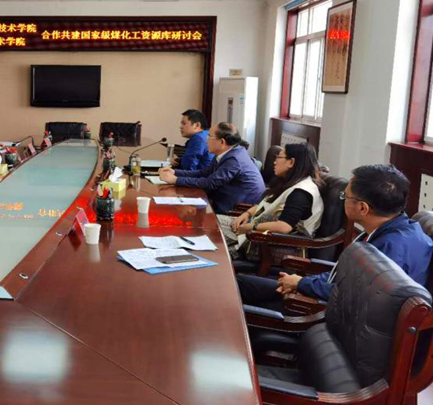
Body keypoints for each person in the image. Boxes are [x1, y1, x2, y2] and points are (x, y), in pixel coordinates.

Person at [238, 164, 433, 310]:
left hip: (336, 317)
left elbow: (355, 297)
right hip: (329, 295)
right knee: (241, 285)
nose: (343, 201)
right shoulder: (392, 229)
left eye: (345, 197)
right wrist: (300, 281)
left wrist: (301, 284)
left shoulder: (390, 250)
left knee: (241, 301)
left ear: (362, 208)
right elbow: (345, 276)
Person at [219, 143, 324, 260]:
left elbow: (284, 227)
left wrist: (251, 227)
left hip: (269, 243)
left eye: (278, 157)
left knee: (214, 234)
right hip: (256, 232)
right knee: (213, 223)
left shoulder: (301, 192)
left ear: (291, 162)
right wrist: (246, 214)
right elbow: (267, 204)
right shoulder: (289, 182)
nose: (274, 162)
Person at [158, 122, 265, 214]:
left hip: (238, 211)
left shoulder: (234, 160)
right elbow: (205, 173)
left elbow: (210, 183)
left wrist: (175, 180)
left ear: (222, 142)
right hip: (224, 202)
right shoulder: (226, 153)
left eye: (209, 136)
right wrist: (175, 172)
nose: (206, 140)